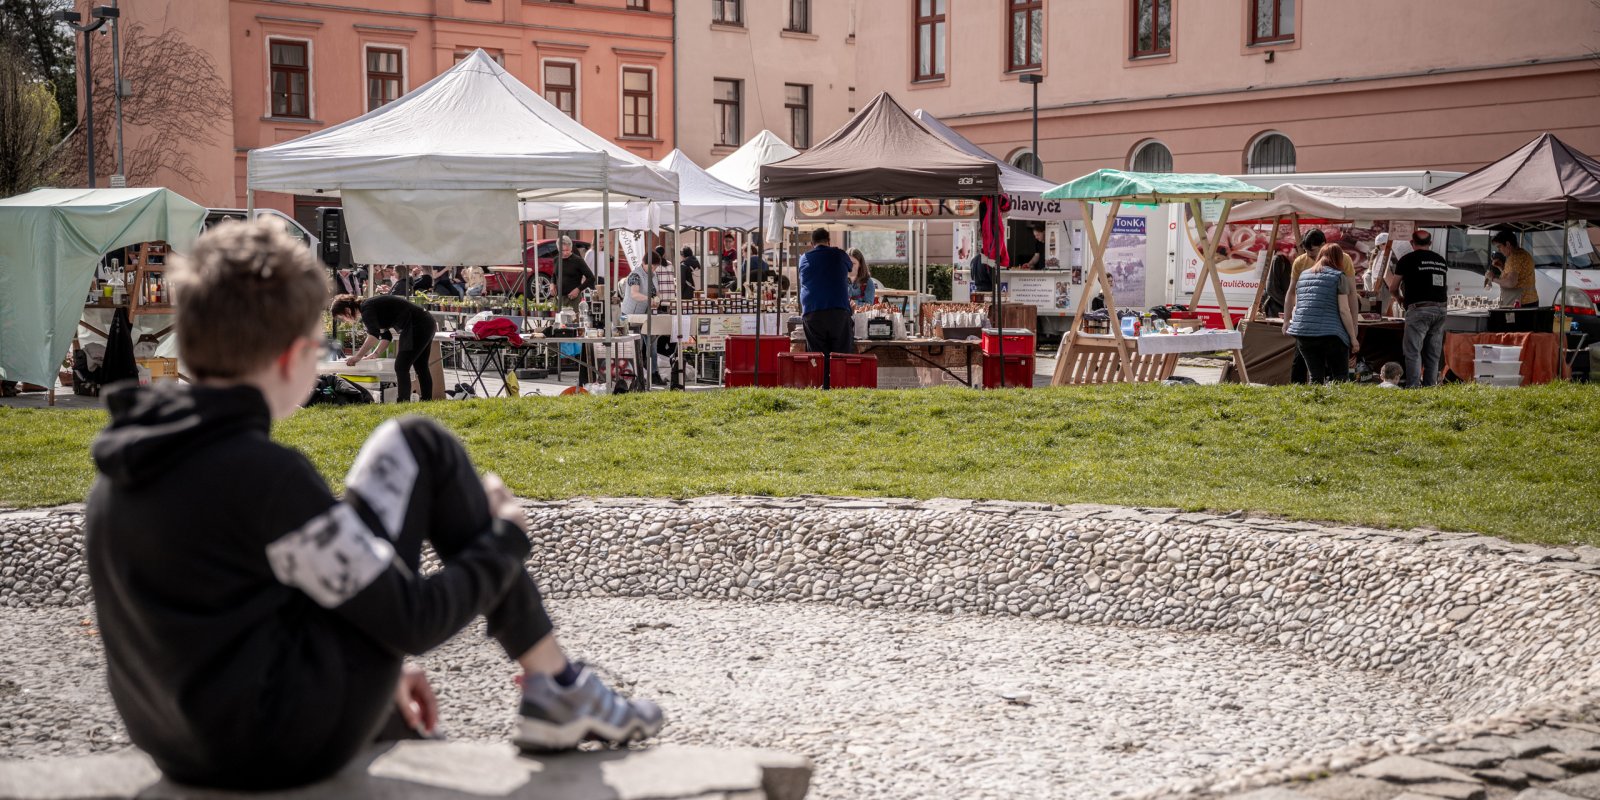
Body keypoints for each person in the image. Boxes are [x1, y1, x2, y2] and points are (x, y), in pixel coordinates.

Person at [85, 219, 661, 792]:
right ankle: (557, 683)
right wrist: (505, 542)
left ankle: (555, 687)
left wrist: (375, 680)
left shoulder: (122, 470)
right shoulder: (265, 478)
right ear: (291, 359)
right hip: (276, 745)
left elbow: (238, 607)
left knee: (411, 440)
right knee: (423, 442)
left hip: (180, 744)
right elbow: (411, 619)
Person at [332, 293, 438, 402]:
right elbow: (386, 336)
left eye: (342, 317)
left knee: (401, 366)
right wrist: (375, 353)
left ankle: (403, 401)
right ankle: (426, 400)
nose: (345, 321)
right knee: (421, 365)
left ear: (347, 310)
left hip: (417, 325)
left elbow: (373, 335)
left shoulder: (367, 310)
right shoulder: (369, 306)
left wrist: (358, 356)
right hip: (427, 321)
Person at [1284, 243, 1360, 383]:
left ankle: (1315, 402)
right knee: (1340, 377)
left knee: (1315, 377)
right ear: (1338, 259)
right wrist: (1353, 338)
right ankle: (1340, 404)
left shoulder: (1303, 275)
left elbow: (1298, 306)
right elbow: (1344, 310)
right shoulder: (1339, 277)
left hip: (1304, 334)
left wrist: (1287, 322)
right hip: (1331, 335)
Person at [1386, 229, 1449, 388]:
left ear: (1412, 243)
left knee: (1413, 352)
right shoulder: (1440, 260)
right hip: (1441, 309)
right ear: (1430, 243)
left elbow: (1393, 287)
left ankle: (1413, 388)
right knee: (1433, 354)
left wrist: (1400, 298)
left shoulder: (1406, 260)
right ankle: (1430, 387)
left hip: (1419, 309)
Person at [798, 227, 854, 357]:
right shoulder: (840, 254)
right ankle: (836, 377)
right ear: (829, 241)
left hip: (812, 312)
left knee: (818, 358)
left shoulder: (804, 258)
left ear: (812, 244)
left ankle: (822, 377)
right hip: (838, 311)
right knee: (840, 357)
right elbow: (850, 267)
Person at [621, 257, 663, 389]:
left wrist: (658, 299)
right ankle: (636, 376)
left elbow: (656, 292)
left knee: (652, 343)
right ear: (644, 263)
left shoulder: (654, 275)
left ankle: (654, 373)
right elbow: (634, 294)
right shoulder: (635, 275)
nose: (653, 270)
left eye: (655, 267)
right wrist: (649, 299)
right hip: (631, 315)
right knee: (636, 346)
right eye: (651, 267)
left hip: (646, 314)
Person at [1489, 231, 1538, 307]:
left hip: (1521, 303)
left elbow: (1511, 282)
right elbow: (1517, 277)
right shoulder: (1523, 254)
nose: (1499, 250)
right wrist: (1501, 268)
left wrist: (1492, 278)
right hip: (1530, 301)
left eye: (1499, 246)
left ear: (1508, 244)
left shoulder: (1514, 258)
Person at [553, 235, 596, 312]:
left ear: (571, 248)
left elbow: (591, 278)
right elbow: (554, 274)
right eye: (562, 250)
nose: (565, 253)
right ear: (558, 249)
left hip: (573, 300)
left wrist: (578, 289)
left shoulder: (578, 260)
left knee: (573, 323)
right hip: (559, 299)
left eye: (567, 250)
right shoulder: (556, 259)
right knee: (556, 322)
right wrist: (552, 284)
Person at [1260, 253, 1293, 318]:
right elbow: (1271, 289)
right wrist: (1289, 304)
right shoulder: (1278, 260)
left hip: (1287, 311)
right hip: (1276, 311)